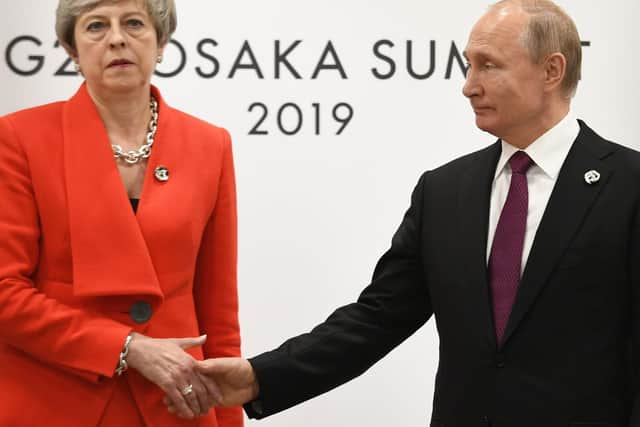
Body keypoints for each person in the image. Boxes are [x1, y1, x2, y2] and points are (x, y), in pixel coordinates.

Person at [190, 0, 640, 425]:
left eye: (488, 65)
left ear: (551, 70)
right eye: (468, 64)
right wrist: (260, 377)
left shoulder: (629, 185)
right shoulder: (444, 192)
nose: (468, 85)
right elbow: (377, 319)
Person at [0, 0, 242, 426]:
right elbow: (4, 292)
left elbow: (217, 310)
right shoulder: (19, 138)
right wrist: (126, 346)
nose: (116, 38)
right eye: (96, 26)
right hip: (54, 401)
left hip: (174, 406)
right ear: (71, 49)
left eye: (133, 23)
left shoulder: (210, 145)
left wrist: (227, 417)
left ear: (161, 42)